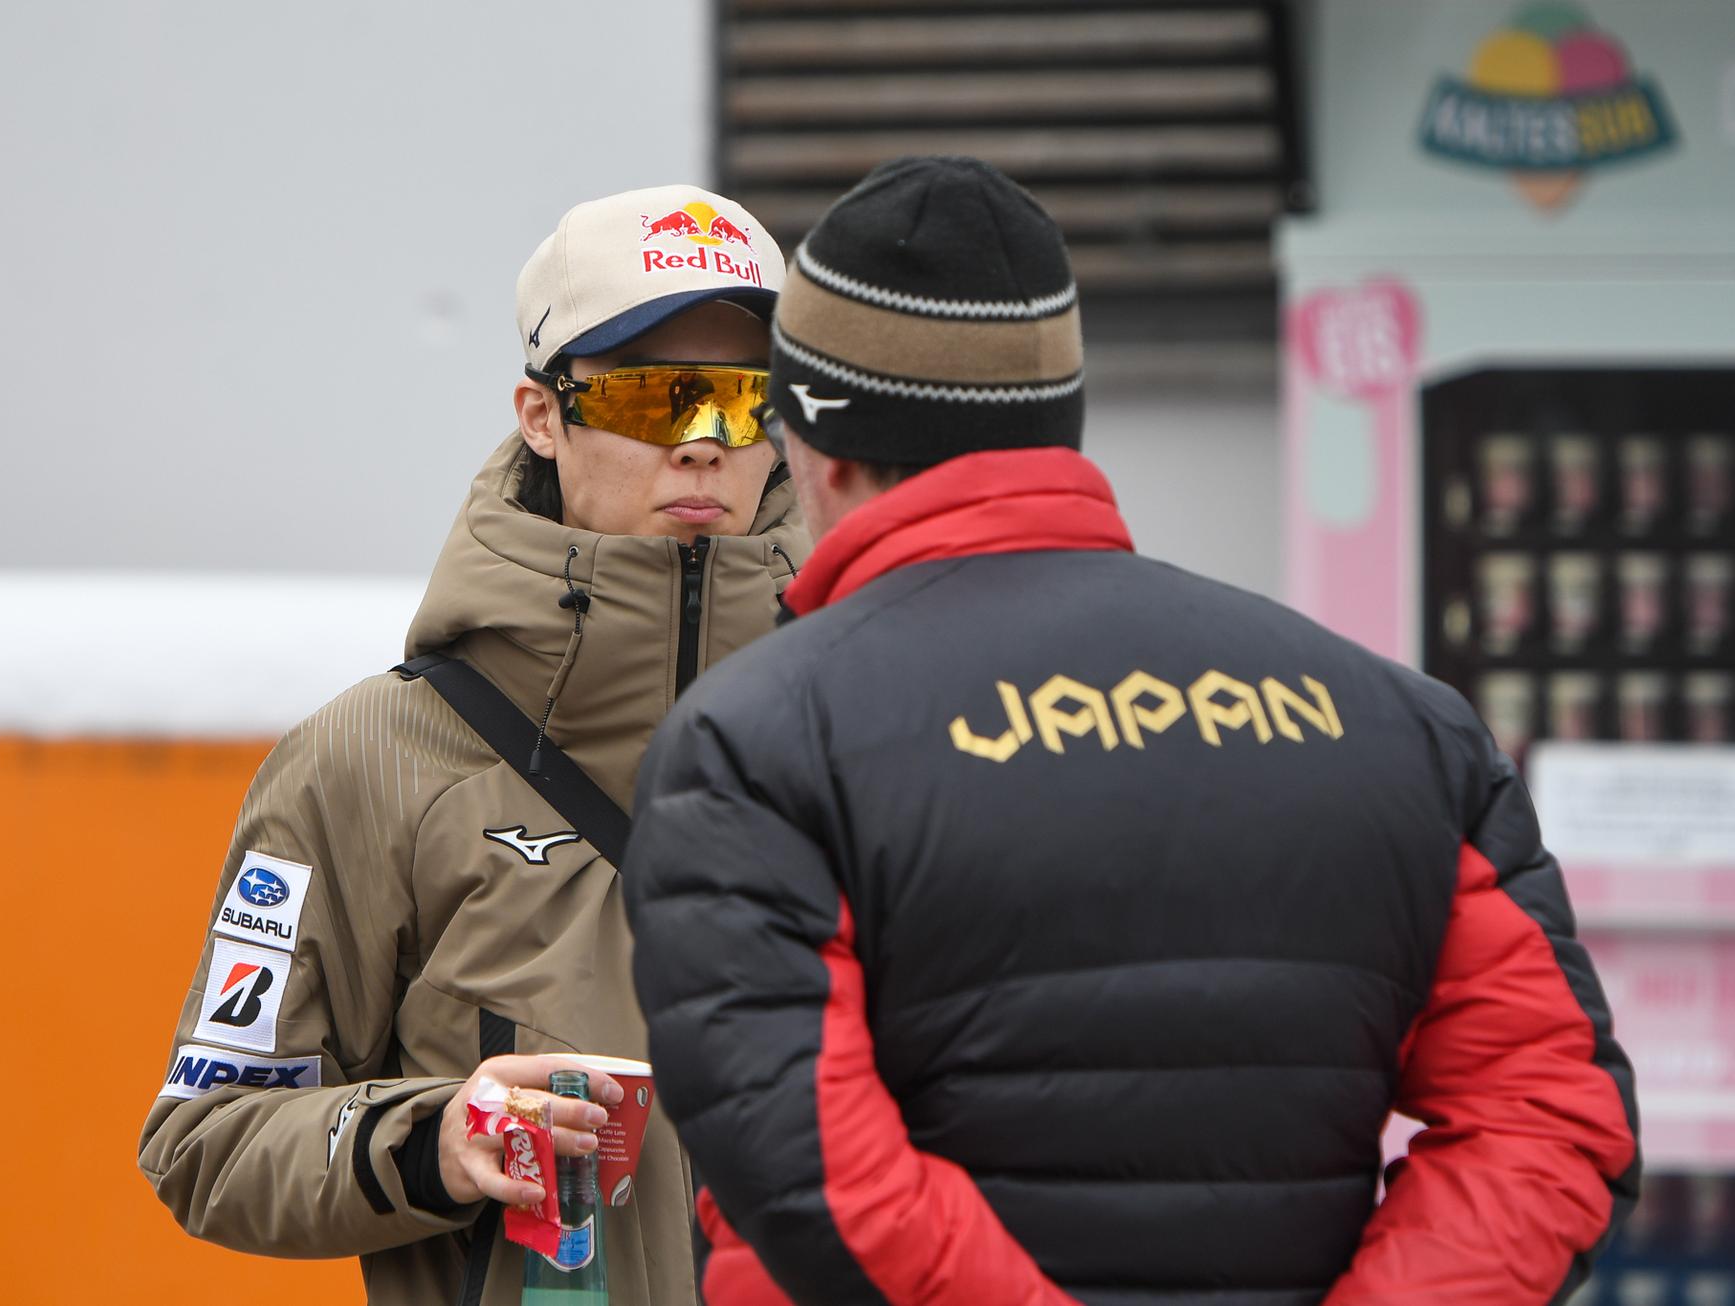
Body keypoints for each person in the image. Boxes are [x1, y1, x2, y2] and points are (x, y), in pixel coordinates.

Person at [624, 156, 1640, 1305]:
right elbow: (1550, 1116)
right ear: (1056, 420)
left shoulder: (760, 745)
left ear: (823, 441)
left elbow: (812, 1168)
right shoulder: (1402, 727)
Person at [138, 184, 804, 1305]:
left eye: (742, 401)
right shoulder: (369, 757)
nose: (702, 443)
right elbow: (206, 1137)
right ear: (542, 415)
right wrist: (432, 1140)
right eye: (654, 396)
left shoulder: (868, 732)